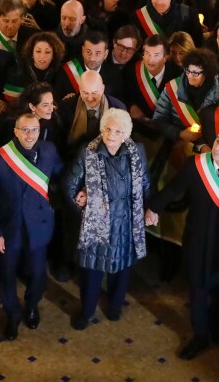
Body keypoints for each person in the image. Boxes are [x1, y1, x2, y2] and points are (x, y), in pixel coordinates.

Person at [145, 127, 219, 358]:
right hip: (197, 238)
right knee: (197, 288)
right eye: (217, 141)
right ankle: (200, 336)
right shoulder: (196, 165)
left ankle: (214, 318)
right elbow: (173, 189)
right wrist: (154, 207)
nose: (217, 146)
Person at [0, 112, 64, 340]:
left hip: (39, 226)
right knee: (7, 275)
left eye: (34, 130)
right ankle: (12, 314)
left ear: (40, 131)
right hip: (9, 230)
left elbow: (61, 177)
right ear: (16, 131)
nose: (30, 135)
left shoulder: (49, 150)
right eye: (25, 130)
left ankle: (31, 306)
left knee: (38, 274)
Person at [64, 109, 149, 330]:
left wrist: (150, 209)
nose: (111, 135)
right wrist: (80, 202)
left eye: (118, 131)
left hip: (125, 222)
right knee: (91, 272)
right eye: (108, 129)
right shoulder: (87, 152)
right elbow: (69, 186)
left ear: (126, 134)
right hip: (96, 224)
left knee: (121, 271)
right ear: (102, 129)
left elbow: (145, 184)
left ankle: (115, 307)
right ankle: (87, 311)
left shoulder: (137, 151)